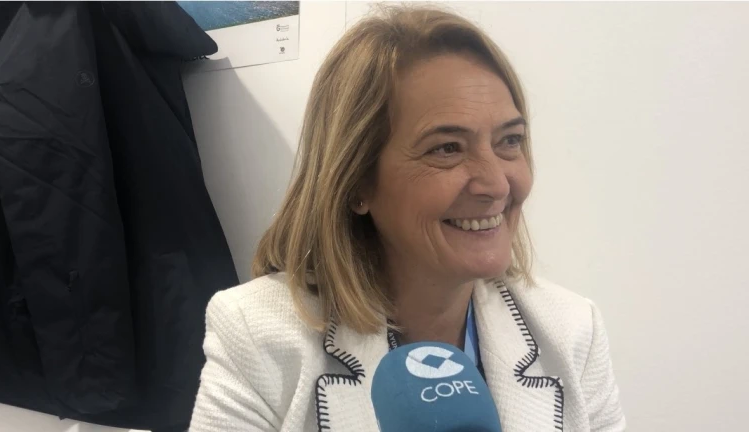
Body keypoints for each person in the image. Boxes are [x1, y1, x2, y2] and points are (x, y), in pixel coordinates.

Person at [190, 5, 625, 432]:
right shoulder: (258, 334)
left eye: (509, 141)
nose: (496, 184)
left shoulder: (571, 330)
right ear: (356, 182)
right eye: (447, 148)